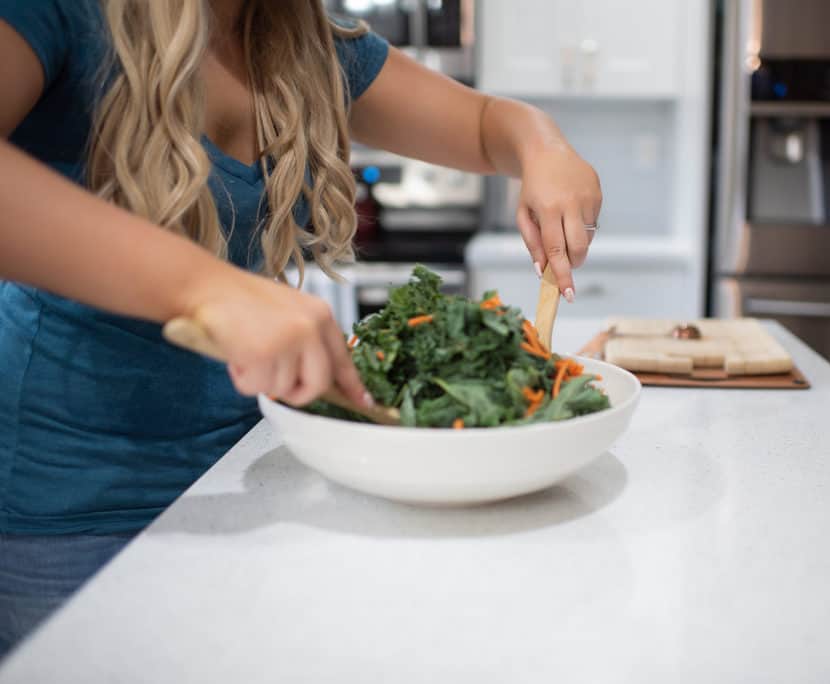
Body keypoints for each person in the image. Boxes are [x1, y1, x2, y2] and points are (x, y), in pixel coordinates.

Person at [0, 0, 602, 657]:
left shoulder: (301, 32)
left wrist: (543, 146)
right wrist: (206, 286)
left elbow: (487, 125)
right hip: (69, 515)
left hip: (246, 481)